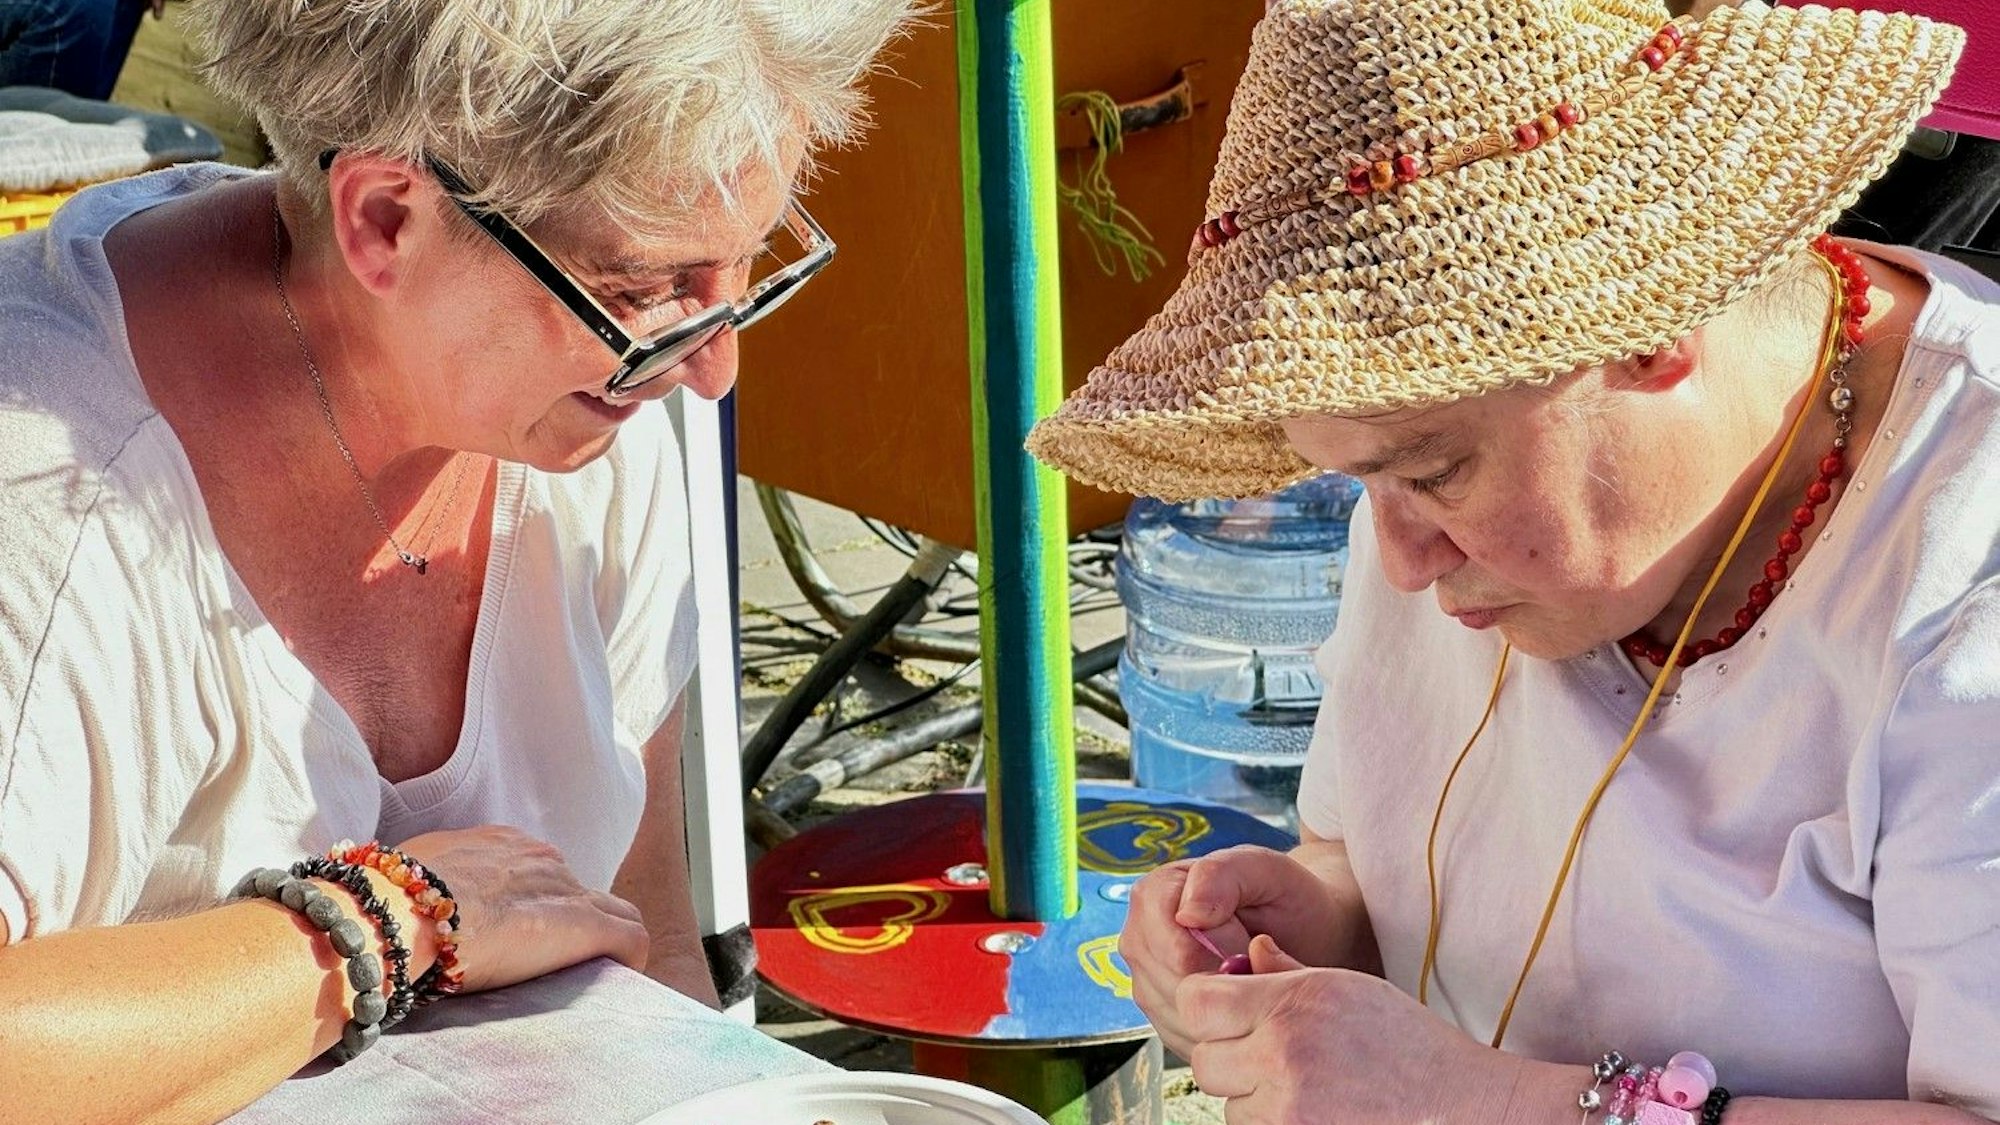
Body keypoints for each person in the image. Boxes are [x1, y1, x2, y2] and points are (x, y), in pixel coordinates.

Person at [1030, 0, 1999, 1122]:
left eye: (1431, 474)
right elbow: (1365, 853)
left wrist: (1497, 1103)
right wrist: (1311, 926)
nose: (1395, 560)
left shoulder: (1960, 571)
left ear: (1649, 320)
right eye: (1358, 484)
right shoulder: (1433, 471)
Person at [0, 0, 911, 1120]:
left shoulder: (598, 403)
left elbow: (654, 934)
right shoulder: (47, 493)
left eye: (747, 267)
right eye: (643, 288)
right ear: (385, 218)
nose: (708, 370)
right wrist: (385, 924)